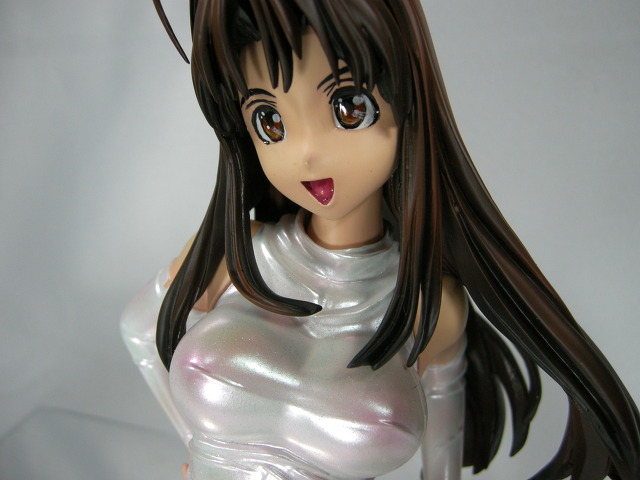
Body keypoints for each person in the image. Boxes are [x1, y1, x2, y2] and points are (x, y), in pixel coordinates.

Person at [121, 1, 640, 479]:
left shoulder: (430, 305)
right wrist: (199, 446)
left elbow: (443, 452)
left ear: (406, 107)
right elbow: (139, 328)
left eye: (348, 108)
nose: (306, 153)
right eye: (270, 121)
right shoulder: (236, 259)